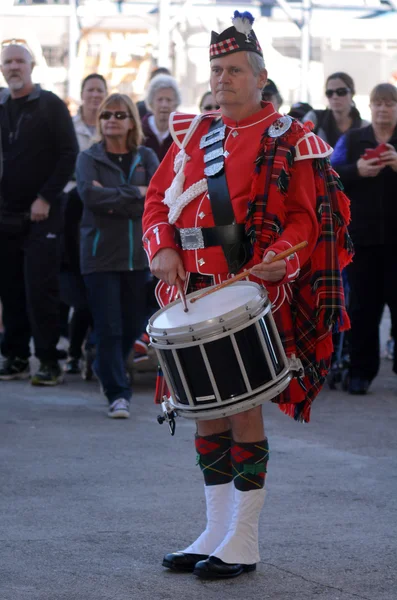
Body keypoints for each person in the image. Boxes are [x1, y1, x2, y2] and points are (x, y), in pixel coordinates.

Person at [142, 10, 352, 579]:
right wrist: (162, 248)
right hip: (191, 293)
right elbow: (158, 202)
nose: (223, 79)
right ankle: (215, 528)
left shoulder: (291, 139)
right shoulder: (191, 133)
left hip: (250, 295)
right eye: (217, 69)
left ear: (259, 77)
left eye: (235, 69)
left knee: (242, 412)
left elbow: (306, 225)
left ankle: (246, 538)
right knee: (204, 415)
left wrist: (272, 262)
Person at [76, 93, 159, 418]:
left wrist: (116, 197)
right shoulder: (88, 158)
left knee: (131, 325)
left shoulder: (147, 155)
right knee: (108, 326)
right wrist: (133, 194)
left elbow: (156, 195)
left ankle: (102, 363)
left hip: (138, 257)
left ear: (131, 122)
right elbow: (89, 196)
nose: (112, 119)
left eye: (120, 114)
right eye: (107, 114)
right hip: (99, 256)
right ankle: (117, 392)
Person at [0, 43, 78, 385]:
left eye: (20, 61)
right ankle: (15, 357)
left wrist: (45, 197)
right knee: (10, 290)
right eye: (8, 62)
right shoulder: (1, 106)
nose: (14, 67)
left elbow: (69, 154)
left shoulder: (51, 106)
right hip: (5, 216)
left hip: (42, 217)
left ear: (32, 66)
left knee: (40, 290)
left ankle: (48, 360)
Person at [332, 83, 397, 394]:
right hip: (363, 240)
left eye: (390, 103)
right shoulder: (353, 139)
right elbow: (328, 175)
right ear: (369, 107)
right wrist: (356, 170)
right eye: (378, 103)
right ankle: (360, 372)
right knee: (362, 309)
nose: (383, 109)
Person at [61, 74, 108, 376]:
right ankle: (75, 351)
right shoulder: (69, 127)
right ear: (81, 94)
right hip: (71, 210)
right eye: (90, 90)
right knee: (79, 287)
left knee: (99, 288)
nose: (94, 95)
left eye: (99, 91)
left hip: (103, 212)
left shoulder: (111, 127)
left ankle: (91, 351)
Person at [303, 72, 368, 146]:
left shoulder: (365, 127)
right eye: (329, 93)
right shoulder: (314, 118)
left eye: (341, 92)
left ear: (352, 93)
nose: (335, 97)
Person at [141, 74, 181, 162]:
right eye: (160, 100)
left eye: (169, 100)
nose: (164, 105)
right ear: (151, 102)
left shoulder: (181, 133)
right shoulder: (140, 131)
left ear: (175, 103)